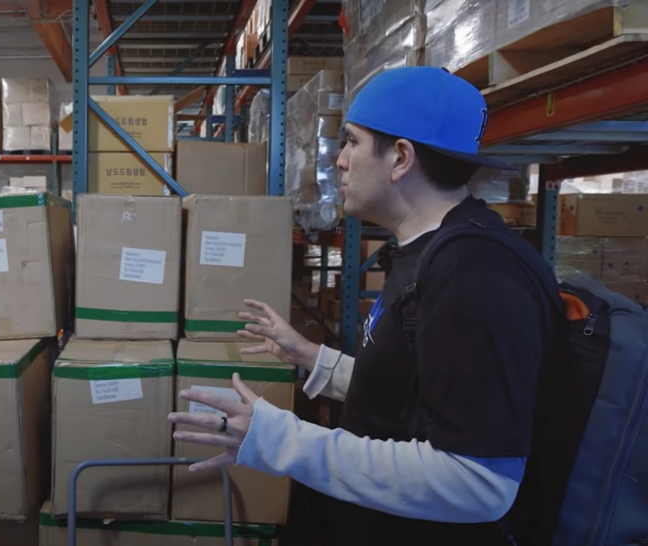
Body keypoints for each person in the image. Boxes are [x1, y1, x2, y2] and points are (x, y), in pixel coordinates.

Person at [168, 67, 559, 545]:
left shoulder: (474, 273)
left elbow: (478, 483)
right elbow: (419, 391)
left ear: (400, 158)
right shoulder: (426, 251)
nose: (340, 161)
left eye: (352, 141)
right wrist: (316, 359)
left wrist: (279, 441)